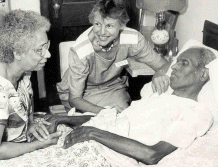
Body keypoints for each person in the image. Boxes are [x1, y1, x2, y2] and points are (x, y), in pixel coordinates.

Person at [61, 47, 215, 165]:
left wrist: (93, 133)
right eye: (177, 61)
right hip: (94, 139)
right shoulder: (159, 96)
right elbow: (116, 119)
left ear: (203, 74)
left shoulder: (196, 113)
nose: (174, 67)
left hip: (105, 157)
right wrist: (61, 119)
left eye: (184, 63)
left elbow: (152, 154)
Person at [56, 0, 170, 114]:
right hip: (83, 94)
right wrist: (105, 112)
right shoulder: (81, 50)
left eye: (109, 25)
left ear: (121, 25)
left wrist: (159, 73)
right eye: (97, 24)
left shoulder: (133, 39)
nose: (102, 32)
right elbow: (75, 99)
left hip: (112, 88)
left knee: (126, 121)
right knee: (97, 126)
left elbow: (164, 64)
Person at [0, 9, 66, 160]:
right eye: (39, 50)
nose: (47, 54)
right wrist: (38, 146)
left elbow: (25, 107)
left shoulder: (24, 72)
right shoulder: (1, 92)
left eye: (46, 46)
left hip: (21, 140)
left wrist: (30, 124)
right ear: (17, 53)